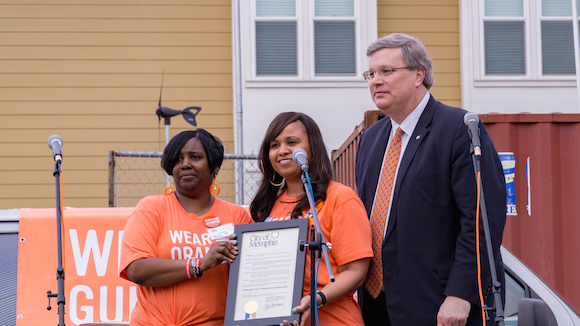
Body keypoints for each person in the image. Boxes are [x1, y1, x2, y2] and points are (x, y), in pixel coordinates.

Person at [355, 33, 507, 326]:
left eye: (386, 71)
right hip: (375, 306)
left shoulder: (459, 128)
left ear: (418, 75)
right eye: (371, 73)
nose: (375, 80)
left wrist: (462, 293)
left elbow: (481, 220)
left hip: (439, 305)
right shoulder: (371, 138)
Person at [250, 112, 373, 326]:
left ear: (312, 148)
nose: (282, 151)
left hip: (335, 319)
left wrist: (317, 299)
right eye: (274, 145)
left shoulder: (340, 199)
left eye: (292, 142)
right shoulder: (266, 208)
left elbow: (356, 272)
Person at [119, 129, 251, 326]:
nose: (185, 164)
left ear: (214, 166)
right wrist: (199, 264)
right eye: (178, 159)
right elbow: (136, 269)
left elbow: (252, 276)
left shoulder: (236, 216)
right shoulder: (152, 208)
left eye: (195, 157)